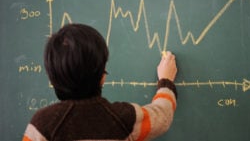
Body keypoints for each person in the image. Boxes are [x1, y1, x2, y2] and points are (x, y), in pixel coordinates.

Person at [23, 23, 178, 141]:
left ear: (52, 78)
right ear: (102, 76)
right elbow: (162, 115)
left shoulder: (42, 125)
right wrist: (166, 81)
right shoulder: (124, 118)